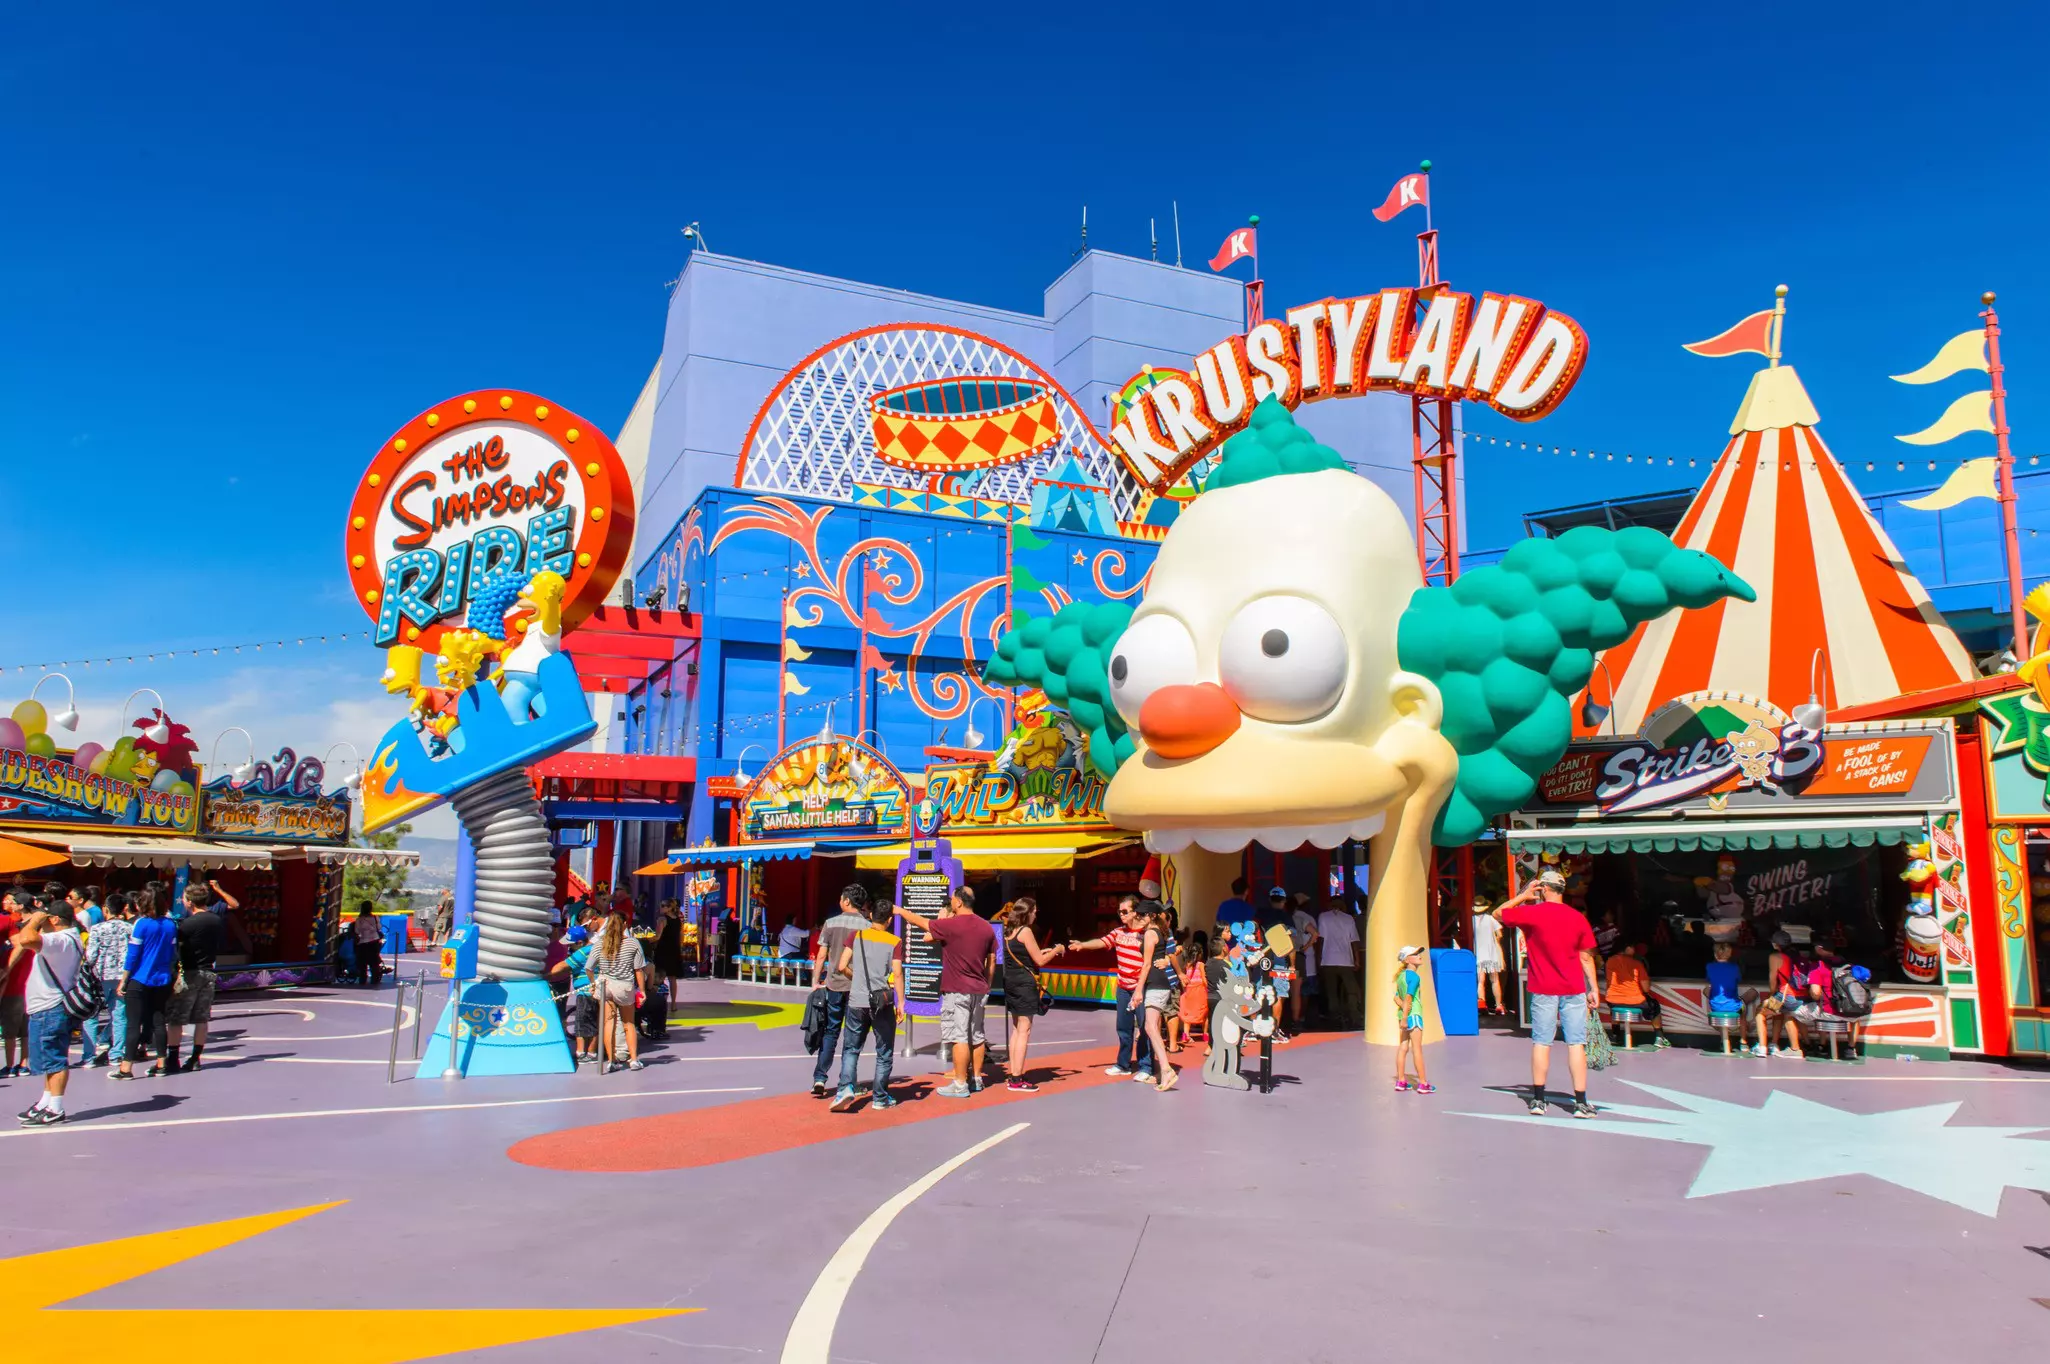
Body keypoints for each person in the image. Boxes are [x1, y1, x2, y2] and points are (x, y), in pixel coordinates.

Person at [1497, 870, 1600, 1118]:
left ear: (1543, 889)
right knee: (1576, 1043)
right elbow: (1586, 957)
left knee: (1542, 1042)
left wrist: (1523, 896)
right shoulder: (1577, 918)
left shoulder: (1533, 914)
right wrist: (1594, 988)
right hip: (1573, 988)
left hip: (1543, 988)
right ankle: (1581, 1102)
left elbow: (1498, 913)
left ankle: (1538, 1100)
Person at [896, 884, 995, 1098]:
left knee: (960, 1037)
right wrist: (986, 984)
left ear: (958, 902)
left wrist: (901, 911)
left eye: (952, 899)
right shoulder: (986, 927)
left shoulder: (951, 925)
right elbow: (992, 960)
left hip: (957, 989)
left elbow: (922, 924)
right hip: (979, 989)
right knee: (977, 1036)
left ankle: (960, 1083)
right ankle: (977, 1078)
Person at [830, 896, 904, 1111]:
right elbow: (898, 973)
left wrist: (857, 978)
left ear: (870, 915)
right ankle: (880, 1098)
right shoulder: (894, 941)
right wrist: (901, 1002)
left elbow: (841, 965)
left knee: (851, 1048)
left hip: (857, 1000)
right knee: (884, 1051)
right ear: (889, 920)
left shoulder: (856, 936)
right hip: (881, 1002)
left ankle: (845, 1089)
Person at [1070, 896, 1154, 1082]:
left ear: (1135, 912)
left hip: (1141, 987)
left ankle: (1146, 1066)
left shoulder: (1146, 933)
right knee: (1123, 1028)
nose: (1121, 915)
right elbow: (1102, 942)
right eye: (1119, 911)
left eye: (1125, 911)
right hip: (1123, 987)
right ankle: (1123, 1065)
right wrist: (1082, 945)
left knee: (1144, 1028)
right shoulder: (1118, 932)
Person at [16, 902, 85, 1126]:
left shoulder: (60, 940)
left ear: (54, 920)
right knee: (48, 1060)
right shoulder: (65, 939)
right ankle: (46, 1101)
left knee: (54, 1059)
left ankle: (55, 1107)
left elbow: (25, 939)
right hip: (48, 1007)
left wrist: (35, 920)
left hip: (50, 1007)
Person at [808, 886, 870, 1097]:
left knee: (830, 1031)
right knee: (853, 1037)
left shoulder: (831, 923)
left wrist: (816, 981)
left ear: (846, 901)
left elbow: (821, 955)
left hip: (833, 985)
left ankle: (820, 1078)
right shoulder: (867, 926)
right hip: (857, 987)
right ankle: (848, 1082)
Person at [999, 897, 1064, 1092]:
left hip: (1011, 982)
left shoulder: (1008, 931)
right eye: (1035, 912)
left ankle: (1014, 1072)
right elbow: (1040, 961)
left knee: (1016, 1029)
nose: (1036, 915)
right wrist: (1057, 950)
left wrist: (1044, 951)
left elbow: (1026, 954)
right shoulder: (1025, 931)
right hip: (1024, 984)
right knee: (1024, 1030)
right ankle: (1016, 1079)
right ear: (1027, 913)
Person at [166, 881, 232, 1072]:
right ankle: (195, 1058)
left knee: (176, 1018)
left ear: (190, 902)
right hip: (208, 971)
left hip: (189, 971)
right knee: (201, 1018)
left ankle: (173, 1058)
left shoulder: (187, 924)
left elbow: (176, 946)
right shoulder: (216, 920)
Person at [115, 887, 180, 1079]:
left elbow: (133, 955)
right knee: (159, 1021)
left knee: (133, 1024)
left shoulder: (141, 924)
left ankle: (126, 1067)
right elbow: (172, 953)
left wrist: (124, 980)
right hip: (162, 978)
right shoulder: (170, 924)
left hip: (140, 978)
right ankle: (161, 1063)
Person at [586, 911, 647, 1073]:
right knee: (628, 1023)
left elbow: (589, 968)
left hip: (605, 985)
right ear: (625, 925)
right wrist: (642, 990)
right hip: (624, 986)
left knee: (608, 1023)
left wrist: (593, 984)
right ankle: (633, 1060)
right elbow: (639, 969)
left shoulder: (600, 944)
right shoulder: (633, 943)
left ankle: (611, 1060)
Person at [81, 892, 133, 1067]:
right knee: (119, 1015)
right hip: (122, 977)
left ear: (106, 909)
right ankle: (116, 1054)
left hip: (99, 976)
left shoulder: (97, 929)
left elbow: (90, 956)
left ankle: (89, 1056)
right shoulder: (129, 928)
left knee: (91, 1015)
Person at [545, 908, 603, 1064]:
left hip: (585, 992)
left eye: (571, 945)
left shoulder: (582, 953)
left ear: (579, 942)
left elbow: (562, 966)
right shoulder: (596, 949)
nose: (569, 947)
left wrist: (545, 976)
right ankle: (592, 1052)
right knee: (595, 1021)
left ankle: (581, 1052)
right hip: (597, 991)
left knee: (581, 1023)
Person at [1137, 904, 1180, 1092]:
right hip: (1160, 983)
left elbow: (1147, 964)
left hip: (1155, 983)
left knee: (1150, 1027)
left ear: (1152, 916)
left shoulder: (1150, 934)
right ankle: (1164, 1070)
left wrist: (1138, 990)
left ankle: (1166, 1069)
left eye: (1142, 914)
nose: (1139, 917)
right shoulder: (1160, 932)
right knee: (1152, 1026)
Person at [1603, 942, 1669, 1049]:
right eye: (1633, 947)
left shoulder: (1609, 961)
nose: (1634, 950)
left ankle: (1615, 1035)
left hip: (1613, 1000)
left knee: (1614, 1008)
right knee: (1654, 1005)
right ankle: (1659, 1037)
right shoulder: (1636, 964)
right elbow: (1646, 988)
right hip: (1635, 1001)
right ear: (1628, 948)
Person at [1751, 931, 1806, 1059]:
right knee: (1780, 1013)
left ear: (1776, 944)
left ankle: (1762, 1047)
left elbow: (1773, 981)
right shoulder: (1797, 956)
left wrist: (1771, 995)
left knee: (1760, 1012)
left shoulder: (1775, 957)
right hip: (1800, 996)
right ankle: (1774, 1044)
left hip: (1785, 995)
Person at [1391, 944, 1434, 1094]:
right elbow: (1409, 998)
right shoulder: (1414, 977)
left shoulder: (1401, 976)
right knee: (1417, 1049)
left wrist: (1403, 1012)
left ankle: (1401, 1081)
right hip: (1413, 1015)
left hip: (1403, 1014)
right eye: (1415, 954)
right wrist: (1406, 1016)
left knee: (1403, 1047)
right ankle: (1423, 1083)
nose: (1419, 956)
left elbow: (1396, 998)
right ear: (1407, 960)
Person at [1316, 901, 1363, 1029]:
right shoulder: (1349, 919)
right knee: (1351, 990)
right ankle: (1354, 1015)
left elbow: (1321, 939)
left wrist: (1318, 959)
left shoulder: (1323, 917)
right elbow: (1354, 941)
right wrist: (1357, 960)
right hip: (1346, 960)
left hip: (1328, 960)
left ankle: (1335, 1017)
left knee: (1331, 991)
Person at [0, 888, 30, 1076]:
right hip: (26, 984)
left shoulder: (8, 923)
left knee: (11, 1028)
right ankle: (22, 1064)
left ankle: (12, 1065)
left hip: (14, 986)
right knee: (22, 1027)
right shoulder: (32, 931)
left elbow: (18, 944)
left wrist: (6, 970)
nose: (6, 904)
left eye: (10, 901)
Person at [1288, 892, 1321, 1029]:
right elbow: (1316, 934)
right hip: (1299, 955)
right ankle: (1296, 1020)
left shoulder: (1283, 918)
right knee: (1298, 991)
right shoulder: (1302, 918)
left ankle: (1281, 1020)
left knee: (1280, 991)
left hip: (1282, 956)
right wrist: (1305, 947)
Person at [1471, 896, 1508, 1017]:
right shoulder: (1491, 919)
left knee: (1480, 981)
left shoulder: (1471, 920)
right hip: (1491, 953)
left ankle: (1482, 1004)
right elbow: (1499, 934)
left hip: (1478, 953)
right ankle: (1498, 1005)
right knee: (1495, 980)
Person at [1172, 934, 1208, 1049]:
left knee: (1188, 1013)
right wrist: (1209, 988)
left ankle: (1186, 1034)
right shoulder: (1201, 965)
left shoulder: (1187, 965)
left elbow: (1185, 980)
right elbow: (1204, 979)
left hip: (1189, 991)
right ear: (1200, 954)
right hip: (1200, 991)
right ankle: (1205, 1034)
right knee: (1204, 1013)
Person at [650, 898, 687, 1005]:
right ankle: (673, 1003)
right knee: (672, 979)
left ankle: (657, 1002)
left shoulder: (662, 919)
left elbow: (657, 936)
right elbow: (681, 937)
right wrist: (679, 948)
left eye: (663, 906)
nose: (660, 908)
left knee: (659, 977)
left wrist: (645, 940)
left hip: (663, 950)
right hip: (674, 951)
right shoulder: (678, 920)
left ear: (670, 908)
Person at [351, 906, 387, 987]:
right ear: (371, 909)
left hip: (362, 943)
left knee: (362, 964)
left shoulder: (359, 919)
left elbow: (357, 931)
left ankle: (362, 979)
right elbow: (379, 927)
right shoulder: (375, 918)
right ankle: (375, 980)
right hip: (374, 942)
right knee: (374, 963)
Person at [1705, 940, 1743, 1015]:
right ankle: (1743, 1020)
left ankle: (1710, 1010)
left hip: (1715, 1008)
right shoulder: (1735, 967)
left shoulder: (1709, 966)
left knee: (1706, 990)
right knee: (1746, 1001)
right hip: (1735, 1009)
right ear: (1729, 955)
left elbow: (1708, 979)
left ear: (1715, 955)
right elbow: (1739, 979)